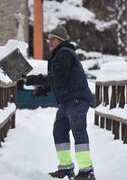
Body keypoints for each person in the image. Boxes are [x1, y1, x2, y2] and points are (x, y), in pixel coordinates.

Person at [25, 26, 95, 180]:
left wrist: (34, 80)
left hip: (76, 100)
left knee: (78, 132)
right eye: (49, 39)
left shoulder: (64, 53)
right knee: (59, 131)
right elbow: (61, 79)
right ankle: (66, 167)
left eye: (53, 39)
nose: (50, 42)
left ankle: (87, 171)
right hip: (67, 101)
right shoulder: (60, 54)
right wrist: (44, 89)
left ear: (61, 40)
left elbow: (58, 78)